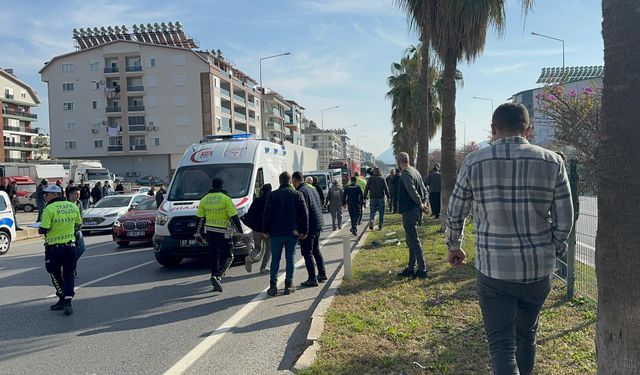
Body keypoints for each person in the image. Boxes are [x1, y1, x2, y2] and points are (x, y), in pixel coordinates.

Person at [445, 103, 574, 375]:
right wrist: (552, 248)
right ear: (529, 130)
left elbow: (456, 211)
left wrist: (454, 246)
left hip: (494, 271)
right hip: (538, 270)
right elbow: (565, 220)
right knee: (527, 336)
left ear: (493, 130)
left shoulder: (474, 161)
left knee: (502, 347)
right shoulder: (552, 161)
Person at [39, 184, 82, 315]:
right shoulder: (73, 206)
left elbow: (43, 229)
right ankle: (68, 301)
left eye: (46, 194)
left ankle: (62, 297)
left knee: (54, 273)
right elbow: (78, 225)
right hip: (70, 247)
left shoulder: (49, 209)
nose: (45, 197)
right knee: (69, 274)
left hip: (54, 249)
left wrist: (41, 228)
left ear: (54, 195)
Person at [262, 172, 308, 296]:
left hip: (276, 233)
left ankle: (273, 286)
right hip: (292, 233)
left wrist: (265, 230)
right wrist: (304, 230)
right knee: (290, 258)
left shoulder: (272, 195)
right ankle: (288, 285)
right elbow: (304, 214)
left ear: (280, 180)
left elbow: (267, 214)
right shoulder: (297, 194)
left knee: (275, 259)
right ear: (290, 181)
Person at [194, 178, 244, 293]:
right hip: (223, 232)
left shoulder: (204, 199)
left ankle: (214, 277)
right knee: (229, 255)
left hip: (210, 232)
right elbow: (234, 217)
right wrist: (239, 231)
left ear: (212, 185)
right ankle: (218, 275)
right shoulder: (226, 199)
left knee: (214, 255)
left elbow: (199, 219)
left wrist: (197, 233)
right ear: (222, 186)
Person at [395, 152, 430, 279]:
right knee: (410, 240)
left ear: (398, 162)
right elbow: (425, 190)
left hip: (410, 210)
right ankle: (411, 267)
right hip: (416, 210)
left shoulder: (406, 174)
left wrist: (420, 204)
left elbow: (412, 191)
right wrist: (424, 203)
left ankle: (422, 270)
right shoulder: (415, 171)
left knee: (414, 241)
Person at [292, 171, 326, 287]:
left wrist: (303, 231)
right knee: (316, 250)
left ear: (295, 180)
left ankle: (312, 278)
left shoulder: (301, 192)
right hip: (317, 223)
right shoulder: (312, 189)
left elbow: (304, 213)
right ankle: (322, 274)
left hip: (310, 226)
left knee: (307, 252)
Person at [241, 183, 272, 274]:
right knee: (268, 249)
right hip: (267, 230)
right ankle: (263, 267)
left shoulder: (257, 200)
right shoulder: (270, 200)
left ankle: (250, 257)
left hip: (256, 230)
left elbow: (249, 214)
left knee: (257, 248)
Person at [67, 187, 86, 276]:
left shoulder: (79, 203)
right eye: (76, 194)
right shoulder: (66, 204)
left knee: (81, 248)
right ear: (70, 194)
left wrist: (79, 227)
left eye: (79, 194)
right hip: (68, 231)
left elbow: (80, 216)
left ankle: (70, 265)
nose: (78, 196)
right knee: (71, 251)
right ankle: (71, 268)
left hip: (77, 230)